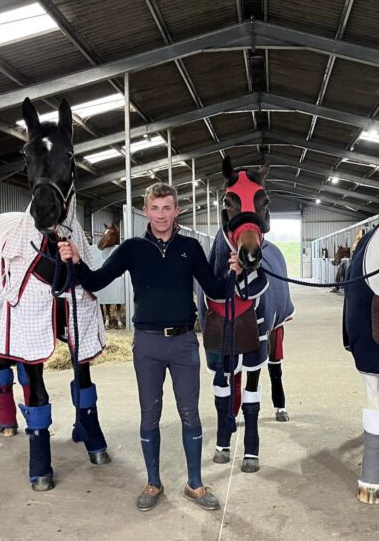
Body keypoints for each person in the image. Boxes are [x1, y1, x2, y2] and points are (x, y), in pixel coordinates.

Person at [58, 183, 241, 512]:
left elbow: (213, 288)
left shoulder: (191, 248)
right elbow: (97, 280)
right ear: (146, 210)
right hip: (147, 343)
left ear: (176, 211)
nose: (161, 215)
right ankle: (153, 482)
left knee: (190, 414)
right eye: (155, 208)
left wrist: (232, 272)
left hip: (184, 342)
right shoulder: (131, 249)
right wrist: (74, 261)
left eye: (166, 208)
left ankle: (195, 484)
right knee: (149, 414)